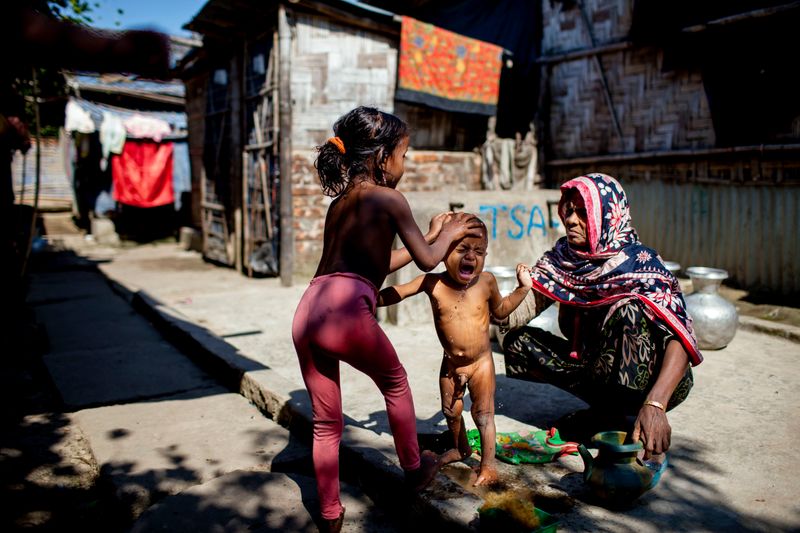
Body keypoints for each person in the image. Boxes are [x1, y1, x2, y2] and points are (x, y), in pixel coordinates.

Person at [291, 106, 483, 532]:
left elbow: (374, 264)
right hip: (344, 311)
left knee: (326, 422)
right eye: (404, 155)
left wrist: (430, 236)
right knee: (395, 382)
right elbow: (429, 259)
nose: (405, 164)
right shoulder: (390, 198)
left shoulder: (340, 204)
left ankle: (328, 515)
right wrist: (447, 234)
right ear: (381, 157)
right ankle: (414, 468)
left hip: (309, 309)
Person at [499, 173, 702, 466]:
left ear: (607, 216)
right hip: (595, 368)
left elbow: (680, 338)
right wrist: (481, 302)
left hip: (656, 382)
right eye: (568, 211)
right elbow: (516, 312)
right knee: (516, 342)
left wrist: (656, 404)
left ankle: (626, 416)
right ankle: (605, 416)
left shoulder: (641, 263)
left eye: (583, 212)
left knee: (628, 312)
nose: (570, 220)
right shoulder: (564, 259)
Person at [378, 219, 532, 486]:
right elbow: (399, 293)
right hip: (450, 363)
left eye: (479, 251)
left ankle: (488, 464)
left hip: (481, 362)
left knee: (483, 415)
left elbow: (501, 311)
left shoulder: (486, 282)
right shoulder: (432, 283)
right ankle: (461, 448)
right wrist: (368, 298)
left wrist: (522, 288)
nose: (471, 256)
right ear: (441, 253)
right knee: (450, 411)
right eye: (461, 249)